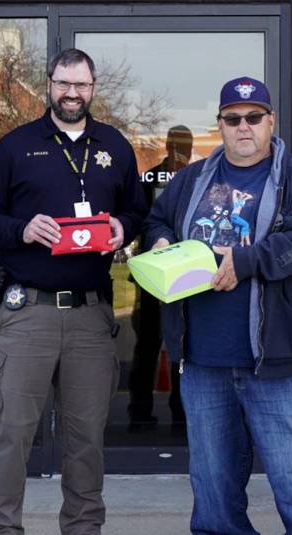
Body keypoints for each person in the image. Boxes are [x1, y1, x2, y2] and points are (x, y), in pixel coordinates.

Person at [144, 76, 292, 534]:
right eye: (233, 119)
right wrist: (159, 240)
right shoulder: (192, 178)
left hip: (279, 363)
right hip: (204, 362)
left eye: (254, 117)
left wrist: (247, 260)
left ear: (271, 121)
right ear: (220, 125)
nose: (243, 126)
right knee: (213, 498)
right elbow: (158, 219)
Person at [0, 48, 147, 535]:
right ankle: (1, 529)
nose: (72, 93)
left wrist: (120, 227)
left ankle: (84, 528)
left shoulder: (115, 146)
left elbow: (138, 211)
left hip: (91, 316)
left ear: (93, 88)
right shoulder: (16, 146)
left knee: (85, 439)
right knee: (12, 434)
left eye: (81, 85)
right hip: (28, 313)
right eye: (64, 84)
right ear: (49, 84)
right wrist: (22, 230)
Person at [127, 125, 194, 430]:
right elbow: (142, 223)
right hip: (153, 278)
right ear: (167, 146)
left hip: (186, 276)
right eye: (177, 145)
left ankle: (181, 411)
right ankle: (139, 410)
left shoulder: (196, 180)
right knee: (148, 343)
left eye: (186, 145)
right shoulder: (149, 180)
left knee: (182, 343)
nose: (182, 151)